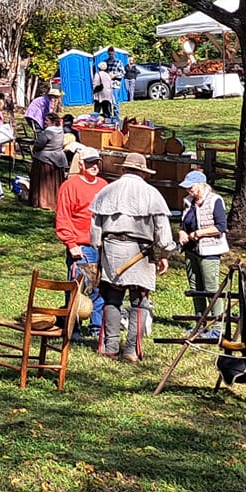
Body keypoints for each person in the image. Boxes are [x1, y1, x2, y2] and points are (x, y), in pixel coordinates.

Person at [90, 151, 174, 363]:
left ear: (125, 169)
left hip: (112, 250)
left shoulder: (107, 191)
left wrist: (100, 250)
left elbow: (95, 228)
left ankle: (109, 346)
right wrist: (165, 253)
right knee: (139, 301)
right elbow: (163, 229)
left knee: (112, 298)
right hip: (139, 252)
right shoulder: (151, 193)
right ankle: (130, 351)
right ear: (143, 173)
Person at [54, 147, 108, 337]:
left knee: (99, 287)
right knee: (77, 288)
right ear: (81, 164)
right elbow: (63, 217)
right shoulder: (70, 186)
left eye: (97, 163)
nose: (94, 166)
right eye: (90, 162)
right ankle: (73, 327)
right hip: (81, 246)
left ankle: (96, 327)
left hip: (102, 245)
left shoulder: (103, 185)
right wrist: (71, 243)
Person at [177, 169, 229, 333]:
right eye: (187, 188)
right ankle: (199, 323)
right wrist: (181, 233)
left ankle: (217, 327)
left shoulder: (215, 201)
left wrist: (199, 234)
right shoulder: (188, 202)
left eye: (191, 187)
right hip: (191, 251)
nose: (188, 190)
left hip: (209, 251)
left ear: (201, 185)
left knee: (211, 288)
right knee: (196, 288)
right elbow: (183, 224)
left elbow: (221, 227)